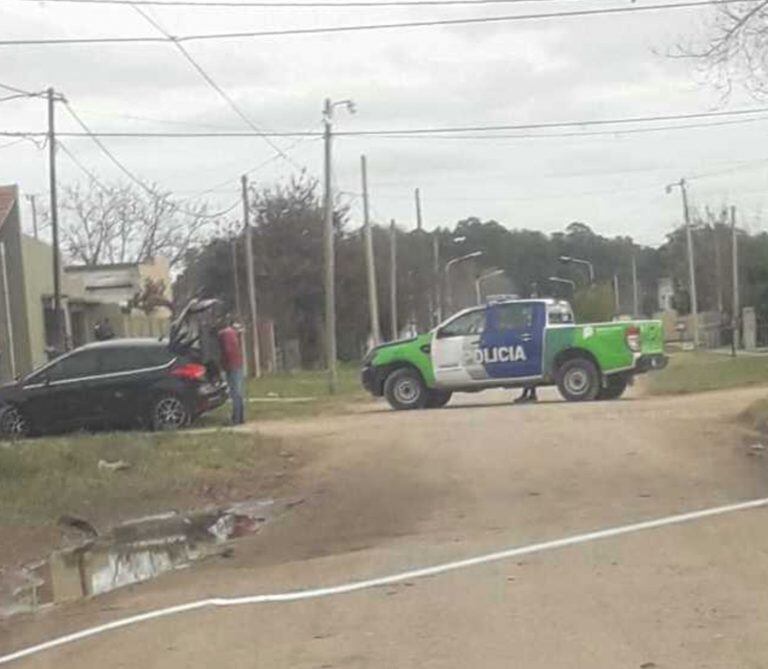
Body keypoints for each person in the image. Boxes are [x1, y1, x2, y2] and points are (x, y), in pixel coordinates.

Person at [217, 317, 245, 425]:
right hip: (237, 364)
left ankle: (236, 419)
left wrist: (222, 363)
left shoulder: (224, 334)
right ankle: (240, 417)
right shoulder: (232, 333)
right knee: (238, 392)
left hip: (231, 366)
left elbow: (228, 350)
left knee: (235, 393)